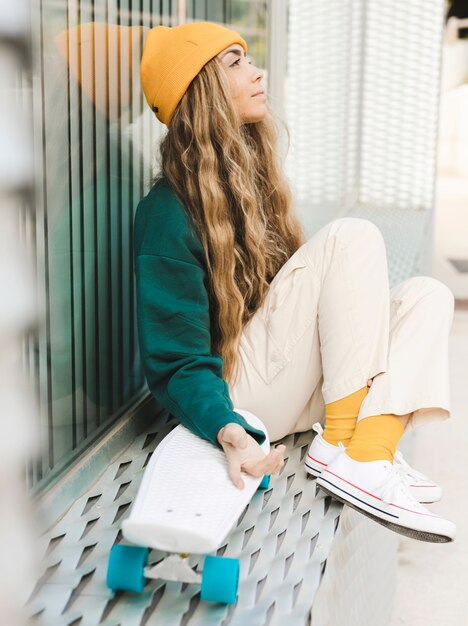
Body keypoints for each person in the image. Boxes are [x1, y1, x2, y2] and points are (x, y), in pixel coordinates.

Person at [135, 21, 456, 542]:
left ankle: (367, 451)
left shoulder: (250, 176)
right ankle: (347, 450)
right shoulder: (167, 214)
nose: (258, 71)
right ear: (201, 92)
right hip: (241, 396)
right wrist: (227, 428)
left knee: (427, 296)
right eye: (235, 63)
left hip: (291, 383)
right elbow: (175, 361)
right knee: (350, 236)